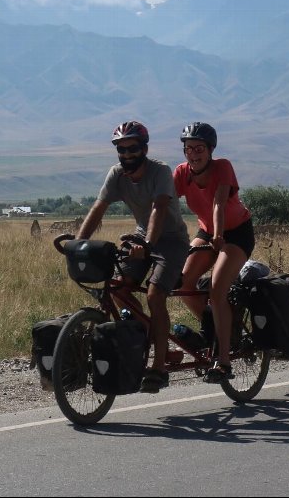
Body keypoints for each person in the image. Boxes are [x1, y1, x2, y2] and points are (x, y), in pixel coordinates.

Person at [74, 120, 190, 393]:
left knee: (154, 296)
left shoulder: (159, 170)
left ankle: (159, 367)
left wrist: (149, 245)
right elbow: (99, 207)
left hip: (171, 239)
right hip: (141, 237)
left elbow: (159, 209)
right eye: (121, 150)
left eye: (132, 149)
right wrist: (78, 243)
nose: (126, 155)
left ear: (144, 148)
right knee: (118, 289)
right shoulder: (116, 174)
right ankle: (145, 335)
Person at [173, 122, 256, 383]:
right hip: (207, 231)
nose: (193, 154)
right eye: (188, 149)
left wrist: (220, 236)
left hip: (236, 232)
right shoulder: (182, 172)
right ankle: (217, 329)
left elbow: (218, 203)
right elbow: (165, 206)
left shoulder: (223, 167)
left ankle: (224, 360)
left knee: (217, 288)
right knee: (183, 284)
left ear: (210, 150)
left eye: (199, 148)